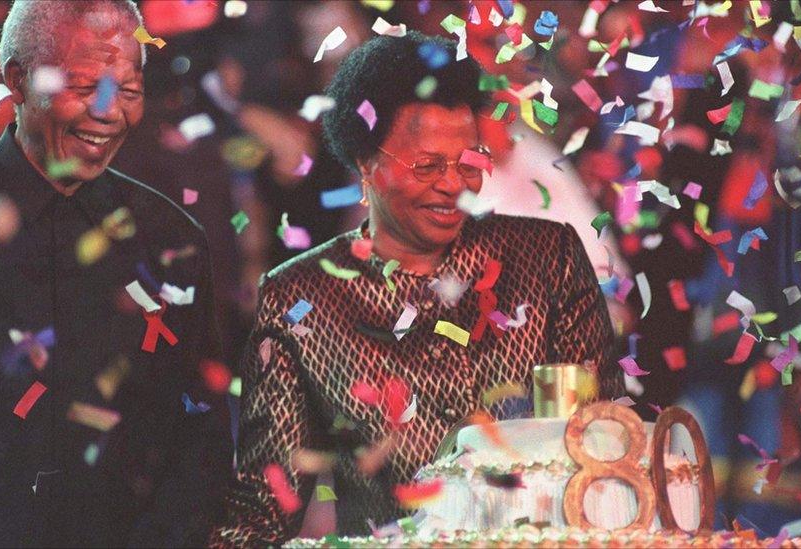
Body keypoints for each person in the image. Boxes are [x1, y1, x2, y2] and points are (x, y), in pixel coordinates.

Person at [212, 31, 624, 546]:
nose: (454, 183)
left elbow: (607, 451)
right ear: (367, 163)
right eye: (427, 165)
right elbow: (264, 507)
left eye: (469, 162)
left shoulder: (549, 259)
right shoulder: (303, 299)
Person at [0, 1, 231, 546]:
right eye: (85, 87)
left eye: (128, 91)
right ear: (17, 79)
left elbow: (199, 441)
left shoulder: (171, 241)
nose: (109, 112)